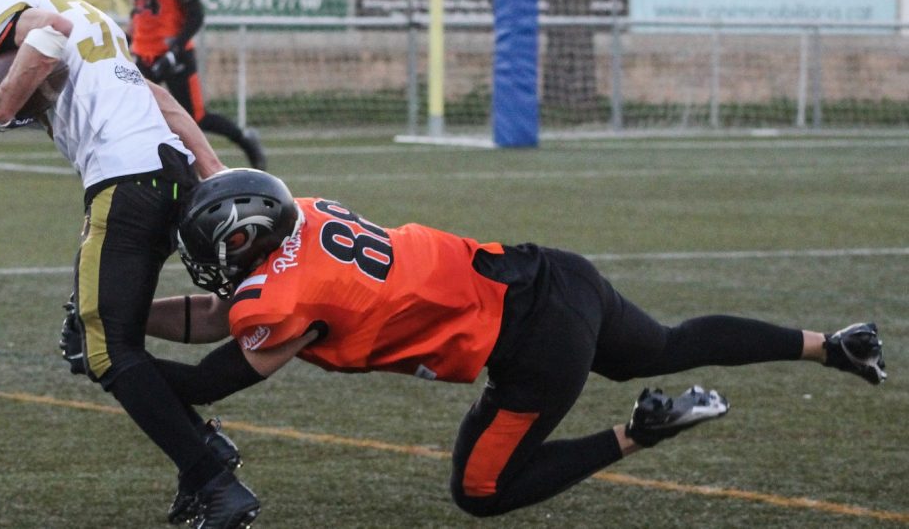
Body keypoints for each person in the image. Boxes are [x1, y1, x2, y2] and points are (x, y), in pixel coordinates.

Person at [142, 168, 887, 523]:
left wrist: (127, 367)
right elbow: (221, 315)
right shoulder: (305, 218)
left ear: (246, 235)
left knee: (482, 490)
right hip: (551, 272)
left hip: (532, 342)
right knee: (666, 341)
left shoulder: (284, 295)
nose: (212, 262)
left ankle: (640, 429)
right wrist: (133, 320)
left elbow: (216, 375)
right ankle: (833, 345)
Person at [0, 0, 260, 528]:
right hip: (168, 169)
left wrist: (1, 107)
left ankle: (213, 476)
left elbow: (50, 34)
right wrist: (212, 169)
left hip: (126, 178)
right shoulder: (69, 2)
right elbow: (158, 98)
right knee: (89, 332)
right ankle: (201, 461)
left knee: (104, 346)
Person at [122, 0, 267, 171]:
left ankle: (245, 140)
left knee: (195, 118)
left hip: (173, 52)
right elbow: (140, 9)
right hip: (143, 51)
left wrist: (173, 52)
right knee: (134, 111)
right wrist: (128, 40)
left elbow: (195, 15)